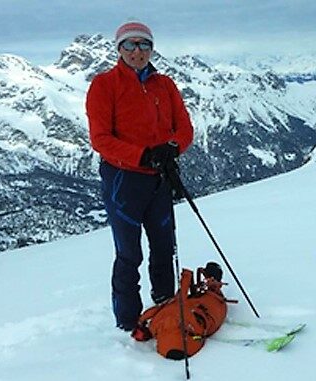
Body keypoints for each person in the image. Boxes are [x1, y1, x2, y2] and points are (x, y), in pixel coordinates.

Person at [85, 21, 194, 331]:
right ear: (119, 49)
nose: (137, 51)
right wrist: (143, 155)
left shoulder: (165, 85)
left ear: (152, 48)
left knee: (163, 246)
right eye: (130, 45)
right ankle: (127, 321)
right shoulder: (104, 85)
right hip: (124, 180)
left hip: (160, 177)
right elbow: (101, 138)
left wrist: (172, 148)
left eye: (144, 44)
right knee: (129, 253)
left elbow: (184, 128)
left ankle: (165, 305)